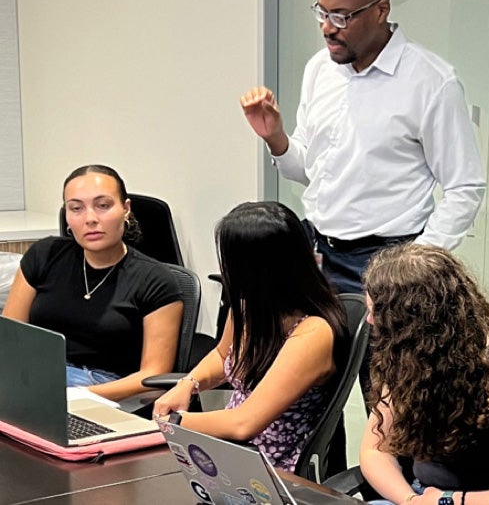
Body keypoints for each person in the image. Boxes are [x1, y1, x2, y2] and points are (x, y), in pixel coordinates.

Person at [240, 0, 485, 295]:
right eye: (322, 13)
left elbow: (466, 188)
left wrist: (416, 263)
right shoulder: (319, 69)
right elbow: (309, 170)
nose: (327, 28)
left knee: (376, 352)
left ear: (381, 11)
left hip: (388, 261)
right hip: (316, 252)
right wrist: (276, 139)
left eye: (341, 17)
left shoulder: (431, 82)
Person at [358, 243, 489, 505]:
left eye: (374, 311)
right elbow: (375, 450)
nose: (369, 320)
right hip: (425, 495)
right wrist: (411, 500)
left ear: (409, 324)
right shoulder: (408, 359)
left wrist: (447, 501)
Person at [153, 201, 348, 472]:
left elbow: (244, 423)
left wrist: (167, 423)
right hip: (228, 453)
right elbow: (223, 355)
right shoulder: (251, 306)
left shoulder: (314, 332)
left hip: (267, 473)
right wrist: (189, 384)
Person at [2, 164, 183, 401]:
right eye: (76, 208)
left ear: (126, 209)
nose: (90, 219)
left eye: (103, 206)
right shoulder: (44, 255)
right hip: (41, 375)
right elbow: (10, 337)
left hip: (105, 388)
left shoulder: (156, 281)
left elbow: (153, 375)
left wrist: (81, 395)